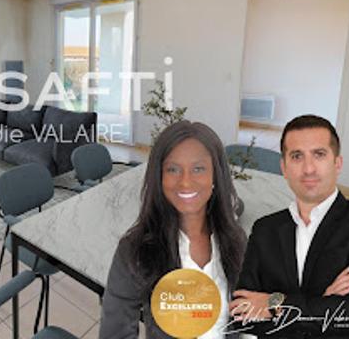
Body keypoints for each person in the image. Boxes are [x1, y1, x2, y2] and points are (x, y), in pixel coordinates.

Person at [100, 121, 247, 338]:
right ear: (159, 177)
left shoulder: (236, 239)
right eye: (173, 169)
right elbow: (114, 333)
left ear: (215, 176)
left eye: (198, 169)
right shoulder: (135, 250)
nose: (185, 182)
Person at [230, 114, 349, 337]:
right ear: (284, 167)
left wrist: (274, 304)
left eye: (319, 154)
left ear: (337, 163)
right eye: (297, 156)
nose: (308, 169)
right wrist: (322, 303)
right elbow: (241, 316)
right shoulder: (264, 229)